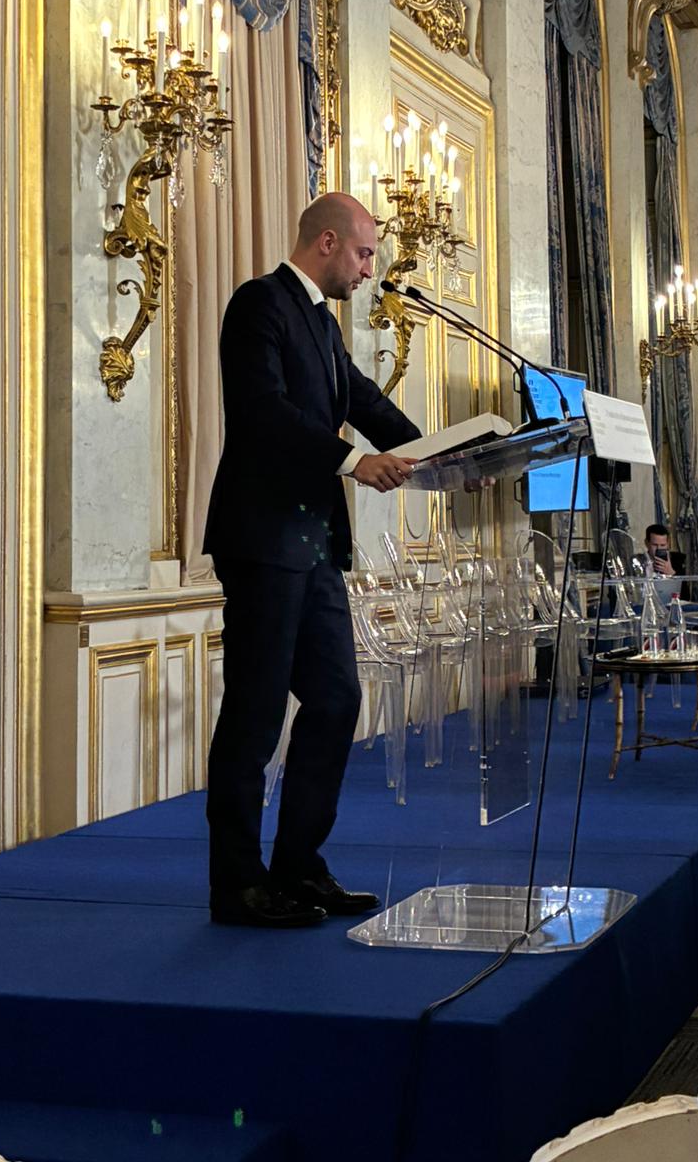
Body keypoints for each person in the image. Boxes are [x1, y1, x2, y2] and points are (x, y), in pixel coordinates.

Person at [203, 193, 421, 929]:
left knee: (335, 700)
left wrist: (445, 457)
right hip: (264, 541)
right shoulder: (258, 304)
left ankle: (298, 865)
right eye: (363, 254)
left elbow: (364, 401)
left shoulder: (324, 325)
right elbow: (264, 413)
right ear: (327, 242)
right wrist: (354, 462)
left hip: (316, 546)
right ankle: (238, 885)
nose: (368, 270)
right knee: (256, 712)